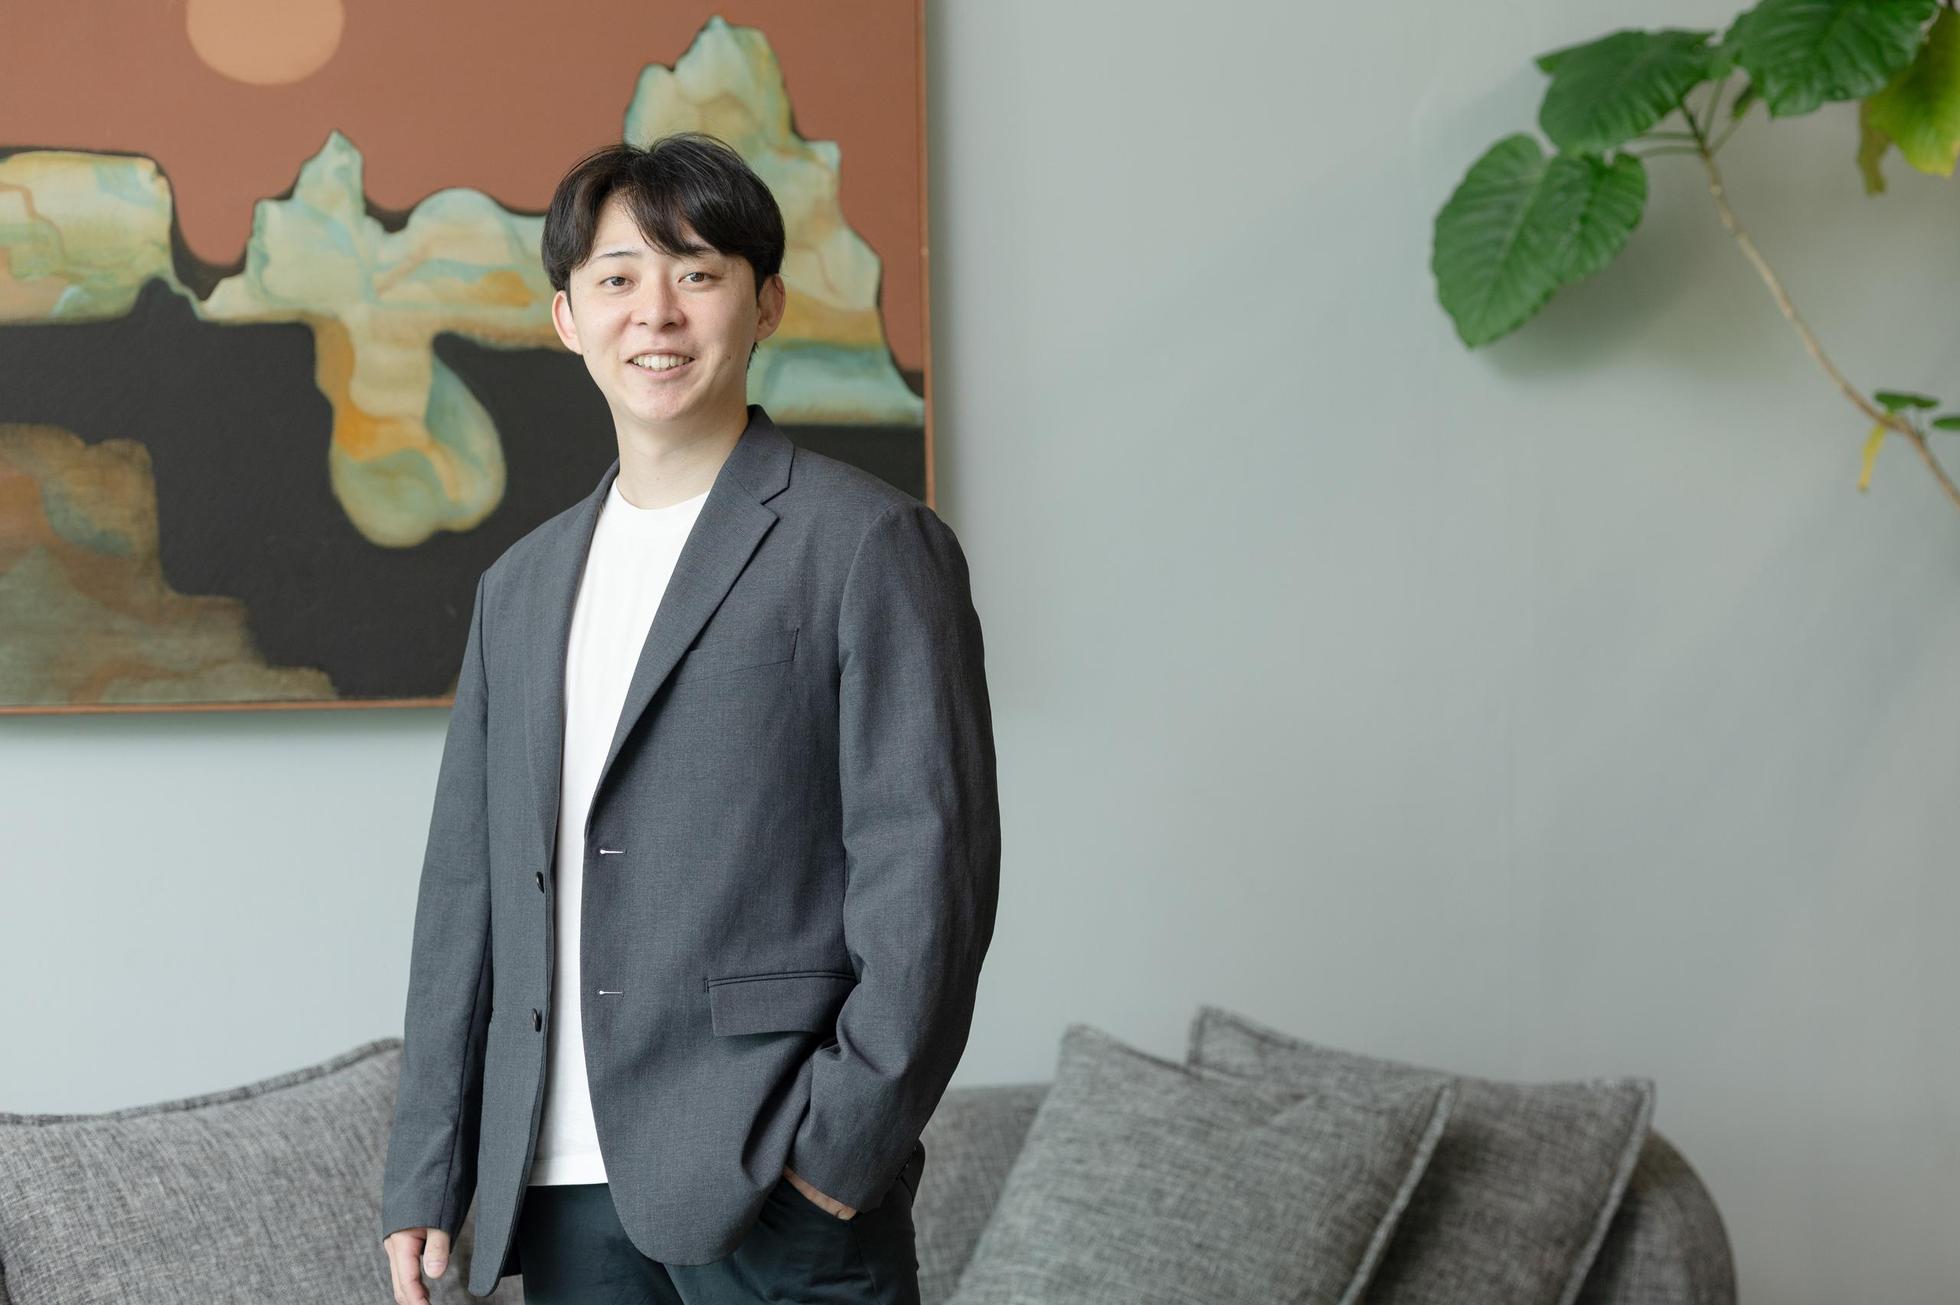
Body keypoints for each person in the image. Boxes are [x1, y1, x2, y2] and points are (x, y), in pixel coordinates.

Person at [379, 131, 1000, 1305]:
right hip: (561, 1190)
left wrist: (837, 1156)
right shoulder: (519, 586)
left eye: (697, 273)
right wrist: (428, 1168)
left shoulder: (868, 545)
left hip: (776, 1188)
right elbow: (467, 894)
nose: (654, 313)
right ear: (567, 318)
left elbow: (931, 875)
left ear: (764, 305)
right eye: (617, 278)